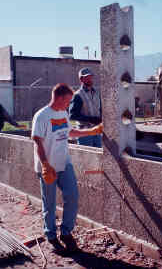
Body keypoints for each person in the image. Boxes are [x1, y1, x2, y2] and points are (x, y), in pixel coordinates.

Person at [31, 83, 102, 253]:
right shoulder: (41, 116)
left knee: (72, 196)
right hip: (48, 167)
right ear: (60, 98)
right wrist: (45, 165)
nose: (69, 105)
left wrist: (92, 131)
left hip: (65, 164)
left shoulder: (63, 113)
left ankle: (66, 232)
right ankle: (51, 235)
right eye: (68, 101)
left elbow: (69, 132)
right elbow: (37, 142)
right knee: (49, 203)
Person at [69, 67, 102, 147]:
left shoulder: (97, 93)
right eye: (87, 77)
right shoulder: (78, 95)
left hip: (97, 131)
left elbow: (100, 110)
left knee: (98, 157)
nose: (89, 79)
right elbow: (72, 115)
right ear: (81, 79)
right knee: (87, 157)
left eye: (90, 77)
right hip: (84, 132)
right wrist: (91, 119)